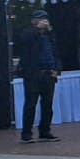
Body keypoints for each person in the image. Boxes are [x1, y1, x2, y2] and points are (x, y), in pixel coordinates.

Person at [14, 10, 60, 143]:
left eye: (45, 19)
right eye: (40, 19)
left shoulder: (50, 36)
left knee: (47, 105)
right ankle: (26, 133)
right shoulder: (28, 33)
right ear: (33, 21)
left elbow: (55, 52)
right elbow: (24, 43)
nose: (44, 22)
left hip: (48, 73)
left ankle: (45, 131)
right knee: (30, 104)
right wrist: (37, 30)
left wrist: (57, 69)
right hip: (33, 74)